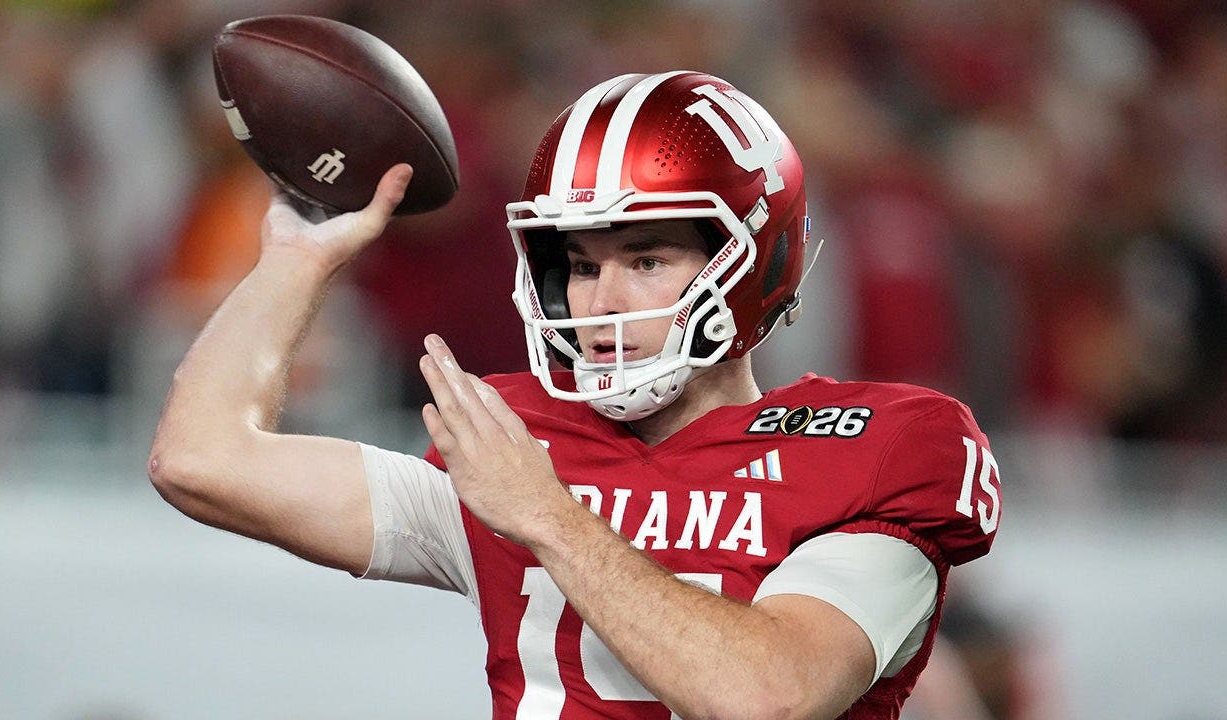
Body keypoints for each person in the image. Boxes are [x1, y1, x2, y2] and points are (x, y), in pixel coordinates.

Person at [149, 70, 1002, 720]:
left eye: (646, 259)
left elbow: (766, 698)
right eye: (582, 266)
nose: (600, 302)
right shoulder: (515, 445)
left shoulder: (874, 445)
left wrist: (548, 516)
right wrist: (297, 259)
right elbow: (200, 460)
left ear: (755, 263)